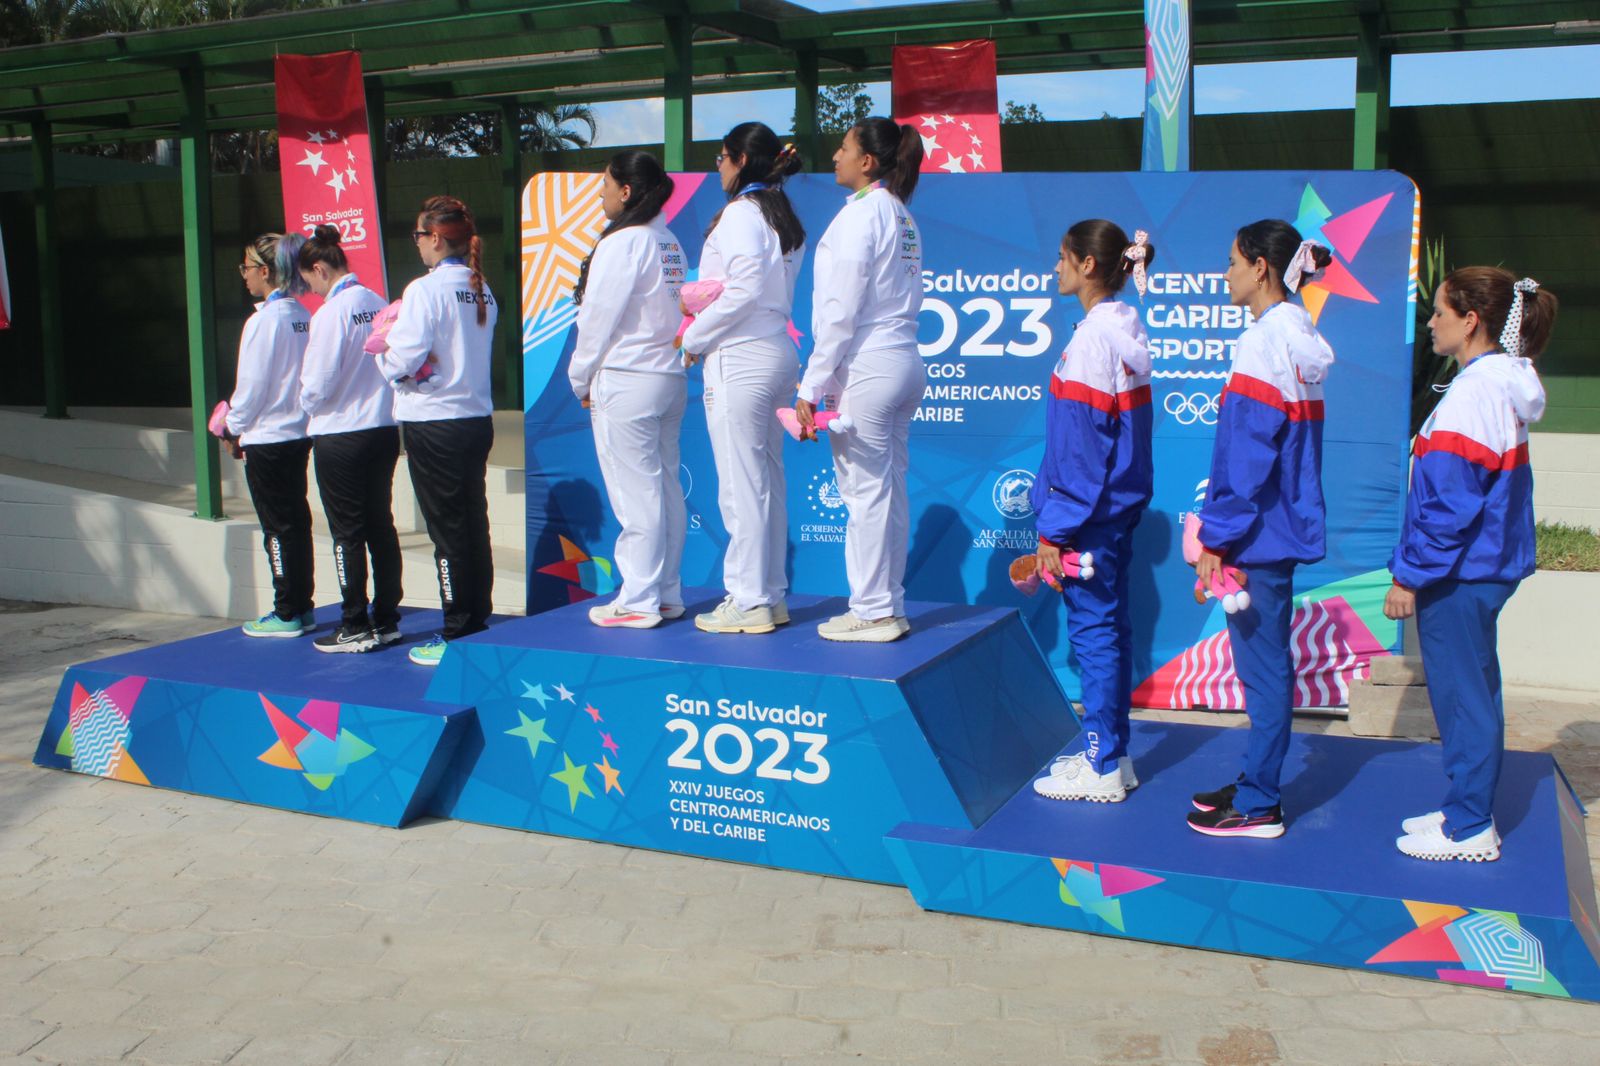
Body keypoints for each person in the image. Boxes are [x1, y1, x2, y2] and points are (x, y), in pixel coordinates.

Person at [1384, 268, 1556, 862]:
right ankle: (1466, 805)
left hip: (1461, 571)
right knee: (1473, 691)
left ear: (1471, 320)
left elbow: (1450, 503)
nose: (1431, 323)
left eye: (1439, 312)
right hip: (1478, 567)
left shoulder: (1477, 391)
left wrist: (1409, 574)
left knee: (1464, 697)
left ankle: (1470, 826)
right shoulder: (1493, 385)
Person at [1186, 219, 1333, 839]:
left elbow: (1247, 453)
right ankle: (1257, 781)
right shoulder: (1297, 338)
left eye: (1231, 262)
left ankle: (1259, 803)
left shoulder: (1262, 343)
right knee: (1268, 667)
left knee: (1264, 671)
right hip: (1276, 529)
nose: (1225, 274)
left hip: (1253, 537)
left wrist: (1216, 538)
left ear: (1260, 268)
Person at [1028, 220, 1157, 802]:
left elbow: (1082, 449)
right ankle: (1115, 755)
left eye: (1061, 257)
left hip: (1088, 516)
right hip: (1115, 508)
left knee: (1096, 632)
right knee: (1110, 628)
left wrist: (1055, 526)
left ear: (1086, 265)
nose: (1054, 267)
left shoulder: (1090, 342)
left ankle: (1101, 761)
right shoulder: (1121, 330)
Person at [792, 118, 926, 643]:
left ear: (867, 161)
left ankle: (872, 610)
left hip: (871, 364)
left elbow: (838, 312)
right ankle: (885, 604)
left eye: (843, 148)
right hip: (901, 361)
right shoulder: (901, 215)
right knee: (887, 490)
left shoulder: (862, 216)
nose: (834, 156)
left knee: (867, 494)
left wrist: (811, 385)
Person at [680, 122, 806, 635]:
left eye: (721, 156)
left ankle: (750, 597)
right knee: (765, 482)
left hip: (741, 354)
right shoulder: (781, 215)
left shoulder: (741, 214)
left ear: (739, 161)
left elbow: (743, 288)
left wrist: (692, 337)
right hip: (774, 350)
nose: (717, 165)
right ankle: (767, 595)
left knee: (741, 486)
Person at [569, 151, 689, 629]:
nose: (599, 194)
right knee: (663, 488)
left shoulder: (623, 243)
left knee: (635, 492)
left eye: (605, 185)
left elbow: (597, 320)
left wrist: (581, 378)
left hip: (627, 378)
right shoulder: (668, 240)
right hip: (667, 378)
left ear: (625, 191)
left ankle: (639, 599)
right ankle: (664, 593)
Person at [377, 196, 498, 666]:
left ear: (434, 238)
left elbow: (404, 356)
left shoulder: (425, 291)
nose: (417, 246)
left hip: (434, 422)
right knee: (472, 522)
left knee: (448, 531)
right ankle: (475, 620)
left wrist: (383, 357)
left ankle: (457, 629)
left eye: (418, 237)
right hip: (473, 420)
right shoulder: (480, 287)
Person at [297, 224, 402, 653]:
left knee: (347, 531)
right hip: (381, 429)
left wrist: (304, 403)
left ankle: (354, 621)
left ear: (319, 269)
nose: (311, 292)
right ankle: (388, 618)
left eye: (308, 282)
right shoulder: (377, 302)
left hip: (340, 433)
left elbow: (317, 384)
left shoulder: (331, 313)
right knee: (380, 523)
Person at [226, 232, 316, 639]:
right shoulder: (301, 314)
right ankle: (302, 605)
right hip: (297, 432)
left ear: (265, 271)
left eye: (246, 268)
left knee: (278, 528)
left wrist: (232, 426)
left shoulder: (263, 320)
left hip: (268, 436)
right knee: (295, 521)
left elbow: (251, 388)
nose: (243, 277)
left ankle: (286, 611)